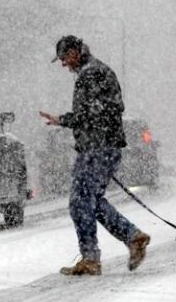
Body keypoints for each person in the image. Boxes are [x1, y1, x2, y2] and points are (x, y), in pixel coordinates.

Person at [39, 35, 151, 276]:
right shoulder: (98, 71)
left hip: (96, 148)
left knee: (80, 202)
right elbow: (107, 109)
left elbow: (90, 114)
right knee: (91, 201)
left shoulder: (90, 74)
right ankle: (132, 237)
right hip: (104, 147)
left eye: (64, 57)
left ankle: (91, 258)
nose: (63, 64)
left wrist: (65, 120)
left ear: (75, 52)